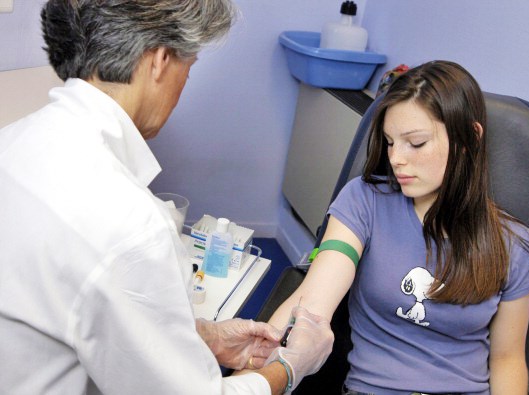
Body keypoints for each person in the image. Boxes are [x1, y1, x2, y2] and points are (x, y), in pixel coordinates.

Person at [0, 1, 332, 394]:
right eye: (187, 70)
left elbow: (67, 310)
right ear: (159, 60)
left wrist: (203, 337)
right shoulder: (129, 225)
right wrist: (291, 368)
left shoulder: (12, 142)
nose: (181, 89)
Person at [267, 60, 529, 395]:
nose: (396, 158)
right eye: (389, 141)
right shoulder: (364, 201)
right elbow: (310, 304)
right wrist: (253, 373)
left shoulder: (513, 245)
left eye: (415, 143)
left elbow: (507, 359)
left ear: (469, 138)